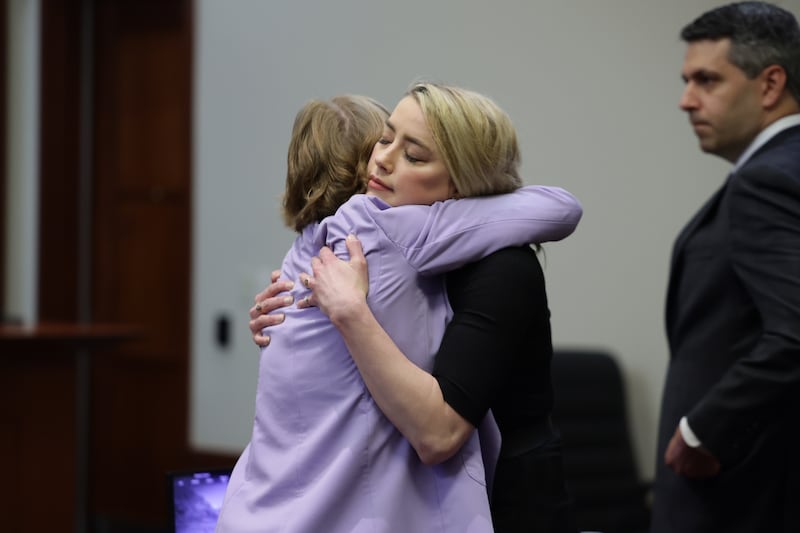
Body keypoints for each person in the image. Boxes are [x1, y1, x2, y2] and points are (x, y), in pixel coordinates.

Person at [218, 84, 582, 533]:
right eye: (385, 139)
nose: (382, 160)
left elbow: (438, 434)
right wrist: (287, 314)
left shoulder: (499, 267)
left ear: (461, 183)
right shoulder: (366, 236)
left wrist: (349, 312)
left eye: (414, 155)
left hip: (512, 500)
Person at [650, 2, 800, 532]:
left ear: (770, 84)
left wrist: (704, 432)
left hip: (738, 490)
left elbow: (795, 331)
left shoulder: (768, 181)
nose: (686, 100)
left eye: (707, 80)